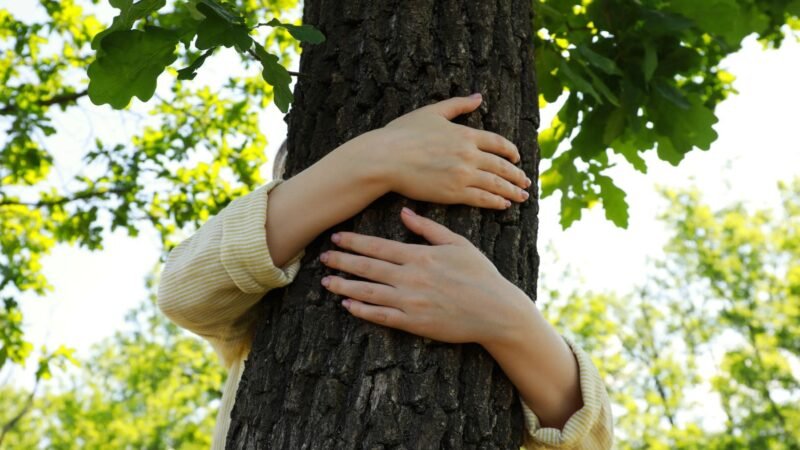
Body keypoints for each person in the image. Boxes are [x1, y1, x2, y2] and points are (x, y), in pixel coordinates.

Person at [157, 94, 613, 449]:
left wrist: (508, 318)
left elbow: (587, 443)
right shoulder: (254, 313)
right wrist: (375, 159)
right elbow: (182, 289)